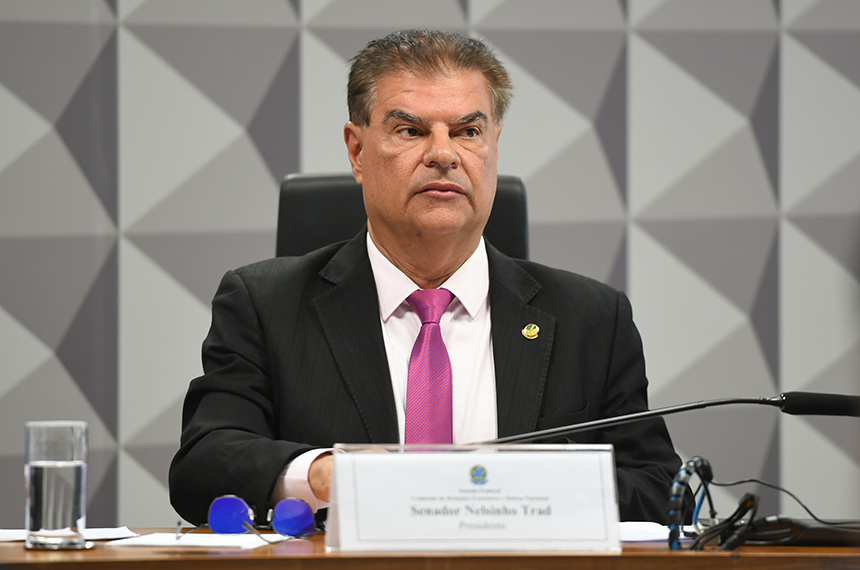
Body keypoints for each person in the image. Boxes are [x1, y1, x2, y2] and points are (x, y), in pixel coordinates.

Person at [169, 29, 683, 527]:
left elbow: (659, 489)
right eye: (411, 131)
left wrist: (526, 489)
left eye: (468, 132)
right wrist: (326, 475)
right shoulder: (265, 304)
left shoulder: (591, 318)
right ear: (357, 151)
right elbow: (203, 464)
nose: (444, 154)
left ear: (494, 146)